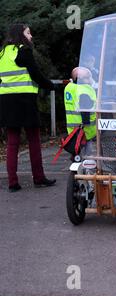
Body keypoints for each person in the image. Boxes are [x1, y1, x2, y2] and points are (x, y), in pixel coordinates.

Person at [0, 24, 56, 192]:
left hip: (6, 102)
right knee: (33, 140)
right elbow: (36, 74)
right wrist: (51, 86)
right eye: (28, 33)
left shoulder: (2, 54)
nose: (31, 36)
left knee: (12, 142)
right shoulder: (23, 50)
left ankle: (12, 182)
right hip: (25, 101)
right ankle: (38, 178)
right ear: (21, 34)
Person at [64, 67, 97, 157]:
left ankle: (76, 161)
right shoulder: (84, 91)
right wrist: (86, 123)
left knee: (76, 148)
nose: (90, 79)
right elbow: (85, 109)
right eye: (88, 77)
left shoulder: (70, 87)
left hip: (72, 127)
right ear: (79, 79)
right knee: (87, 152)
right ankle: (86, 166)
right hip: (85, 129)